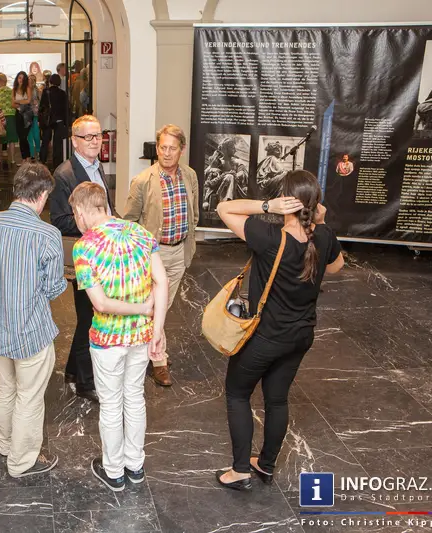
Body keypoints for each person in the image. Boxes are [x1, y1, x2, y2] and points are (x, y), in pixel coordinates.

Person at [213, 170, 345, 491]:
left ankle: (241, 469)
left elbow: (224, 209)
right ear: (315, 203)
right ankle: (266, 464)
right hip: (299, 337)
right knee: (277, 399)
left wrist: (267, 206)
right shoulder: (323, 236)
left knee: (237, 392)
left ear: (286, 201)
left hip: (264, 337)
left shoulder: (270, 237)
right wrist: (321, 220)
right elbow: (336, 266)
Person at [69, 182, 168, 492]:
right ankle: (135, 466)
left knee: (112, 405)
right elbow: (161, 281)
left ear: (82, 211)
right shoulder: (140, 233)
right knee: (134, 398)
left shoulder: (84, 247)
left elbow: (100, 303)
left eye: (75, 214)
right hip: (141, 336)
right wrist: (158, 327)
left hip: (107, 340)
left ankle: (114, 472)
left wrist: (139, 308)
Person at [0, 163, 67, 478]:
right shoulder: (47, 234)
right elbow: (53, 288)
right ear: (41, 196)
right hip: (31, 332)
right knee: (29, 397)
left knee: (5, 387)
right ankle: (21, 461)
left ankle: (4, 444)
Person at [123, 124, 200, 387]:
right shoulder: (143, 181)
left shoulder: (190, 176)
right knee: (156, 309)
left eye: (172, 148)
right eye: (162, 148)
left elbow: (194, 213)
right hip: (153, 255)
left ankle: (144, 350)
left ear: (182, 150)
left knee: (159, 309)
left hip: (180, 252)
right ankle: (158, 360)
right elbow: (129, 221)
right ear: (157, 149)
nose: (166, 154)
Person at [49, 115, 114, 403]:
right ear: (74, 140)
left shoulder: (98, 167)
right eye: (87, 137)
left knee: (88, 317)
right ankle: (86, 384)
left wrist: (114, 222)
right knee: (90, 319)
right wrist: (100, 224)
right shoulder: (65, 175)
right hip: (84, 256)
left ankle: (74, 371)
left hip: (102, 251)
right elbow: (60, 220)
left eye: (98, 136)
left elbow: (105, 208)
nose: (94, 141)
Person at [202, 136, 248, 211]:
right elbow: (205, 174)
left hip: (235, 187)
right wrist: (213, 169)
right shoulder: (217, 161)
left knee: (229, 177)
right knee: (228, 176)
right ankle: (222, 204)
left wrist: (233, 174)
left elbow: (242, 173)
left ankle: (225, 203)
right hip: (217, 186)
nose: (235, 150)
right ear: (226, 148)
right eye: (233, 148)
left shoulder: (238, 161)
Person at [39, 74, 68, 169]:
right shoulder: (63, 93)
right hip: (59, 120)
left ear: (50, 82)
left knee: (45, 141)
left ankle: (42, 160)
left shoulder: (46, 92)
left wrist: (41, 120)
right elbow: (65, 108)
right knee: (57, 143)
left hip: (48, 120)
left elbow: (42, 107)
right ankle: (57, 164)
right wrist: (66, 122)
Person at [0, 73, 18, 166]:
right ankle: (12, 159)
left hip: (1, 117)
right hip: (12, 116)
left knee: (0, 138)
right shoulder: (12, 91)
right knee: (11, 139)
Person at [11, 71, 33, 163]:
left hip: (27, 115)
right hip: (18, 114)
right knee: (21, 137)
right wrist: (21, 102)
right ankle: (25, 158)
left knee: (24, 136)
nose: (21, 80)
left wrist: (18, 101)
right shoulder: (14, 89)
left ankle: (27, 157)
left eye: (23, 78)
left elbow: (29, 101)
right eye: (19, 78)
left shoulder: (27, 88)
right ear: (17, 79)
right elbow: (12, 104)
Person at [27, 74, 42, 160]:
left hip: (35, 115)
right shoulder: (27, 90)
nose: (31, 81)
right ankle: (33, 153)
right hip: (29, 115)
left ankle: (36, 152)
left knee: (35, 134)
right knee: (31, 135)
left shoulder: (37, 90)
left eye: (32, 80)